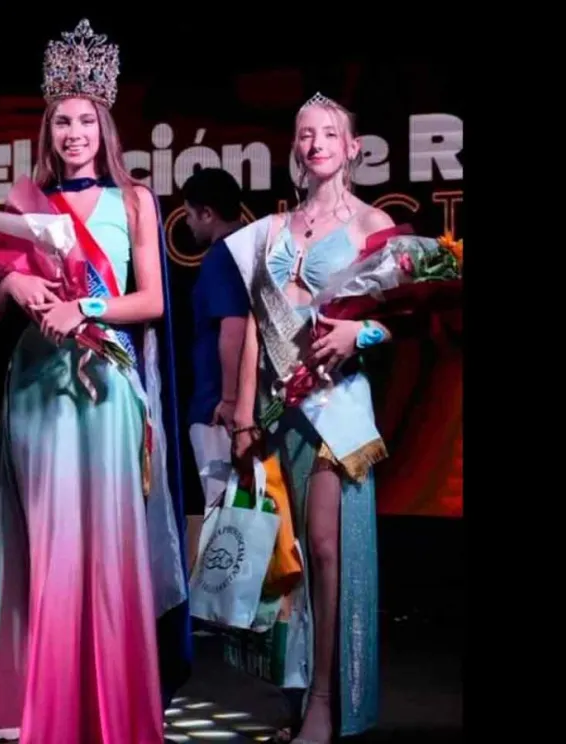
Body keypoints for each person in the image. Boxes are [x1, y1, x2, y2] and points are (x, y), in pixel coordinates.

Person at [0, 19, 191, 744]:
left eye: (86, 120)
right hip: (37, 386)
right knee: (49, 545)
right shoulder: (20, 206)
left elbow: (151, 302)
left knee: (109, 549)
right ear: (48, 130)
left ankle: (114, 712)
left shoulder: (138, 202)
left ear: (104, 127)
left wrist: (83, 304)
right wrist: (17, 290)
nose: (73, 132)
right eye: (62, 120)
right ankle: (49, 714)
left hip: (108, 382)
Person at [225, 93, 397, 743]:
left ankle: (328, 700)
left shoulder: (371, 223)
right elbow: (252, 331)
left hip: (336, 408)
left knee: (326, 548)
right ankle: (298, 690)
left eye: (329, 133)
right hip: (276, 413)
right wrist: (243, 416)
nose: (316, 142)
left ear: (353, 148)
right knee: (290, 554)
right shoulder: (271, 230)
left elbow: (396, 321)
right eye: (305, 134)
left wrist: (361, 335)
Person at [181, 168, 250, 562]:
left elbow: (234, 326)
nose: (188, 223)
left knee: (224, 508)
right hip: (229, 403)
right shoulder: (249, 250)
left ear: (207, 213)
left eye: (189, 214)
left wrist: (228, 399)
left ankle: (230, 613)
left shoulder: (222, 257)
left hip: (216, 406)